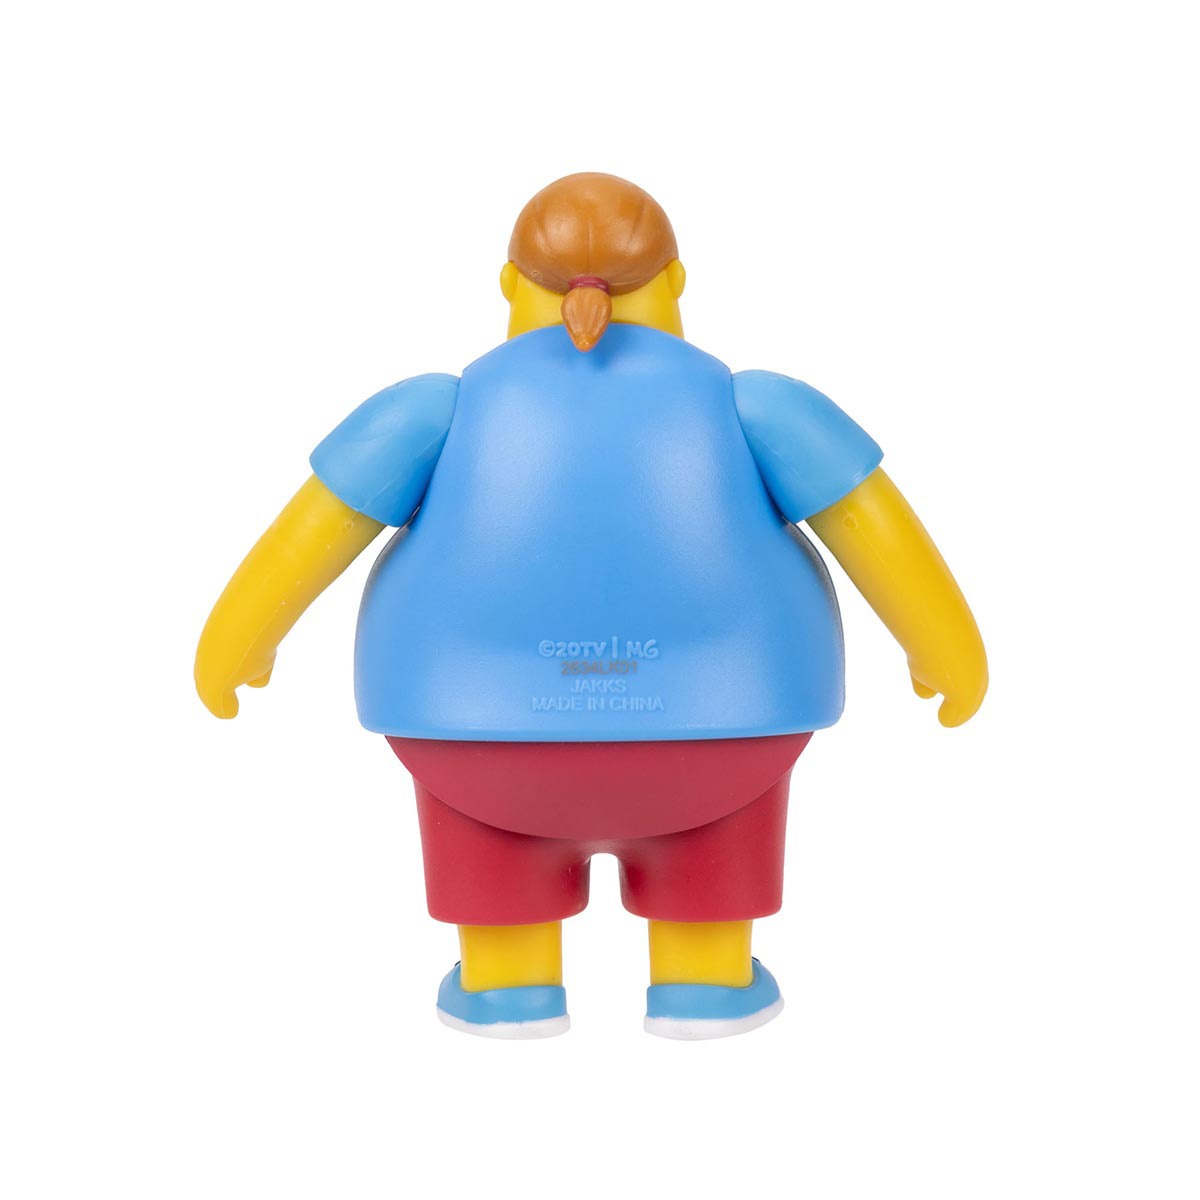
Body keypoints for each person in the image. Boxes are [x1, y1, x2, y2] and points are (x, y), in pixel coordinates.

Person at [195, 173, 987, 1040]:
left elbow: (311, 533)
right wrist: (946, 653)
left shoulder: (432, 409)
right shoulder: (758, 406)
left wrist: (238, 644)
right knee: (711, 867)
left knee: (492, 868)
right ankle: (705, 985)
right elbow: (872, 525)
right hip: (727, 734)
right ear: (674, 284)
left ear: (510, 287)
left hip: (473, 738)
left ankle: (506, 989)